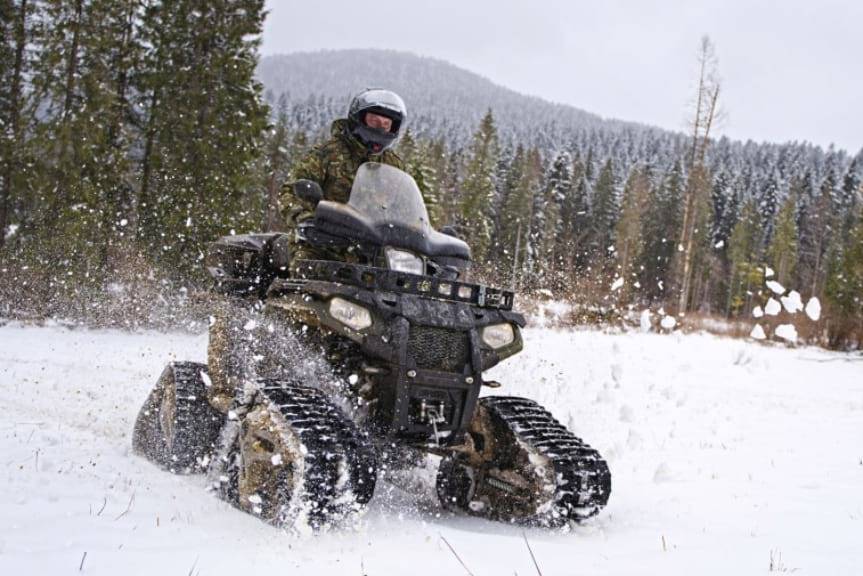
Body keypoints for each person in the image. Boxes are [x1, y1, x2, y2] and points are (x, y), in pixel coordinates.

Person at [280, 89, 407, 269]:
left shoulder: (394, 165)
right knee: (309, 276)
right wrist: (305, 218)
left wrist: (422, 232)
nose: (380, 127)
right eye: (374, 120)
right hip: (322, 242)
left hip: (375, 250)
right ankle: (288, 296)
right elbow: (290, 192)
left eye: (386, 124)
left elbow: (406, 205)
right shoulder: (327, 154)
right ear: (359, 118)